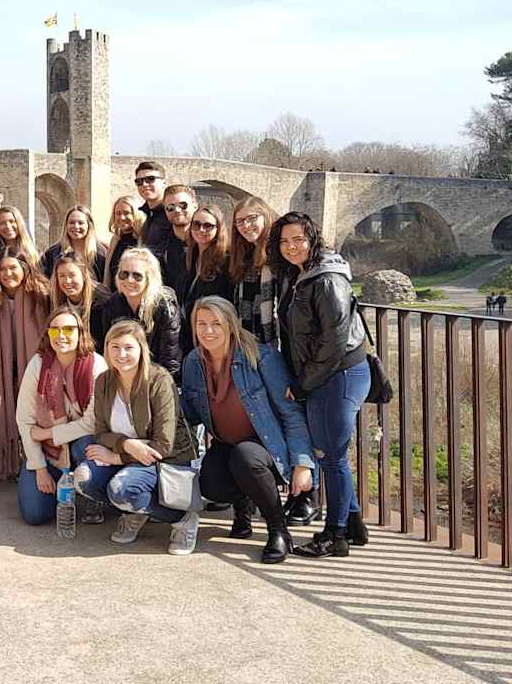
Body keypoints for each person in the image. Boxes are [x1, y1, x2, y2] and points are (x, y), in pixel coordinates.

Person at [179, 297, 316, 563]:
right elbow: (190, 412)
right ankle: (243, 505)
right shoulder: (193, 361)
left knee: (245, 457)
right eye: (201, 324)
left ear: (231, 325)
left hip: (267, 447)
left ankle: (278, 530)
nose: (208, 331)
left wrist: (302, 463)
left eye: (216, 324)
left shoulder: (260, 356)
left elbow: (290, 413)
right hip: (226, 444)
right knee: (210, 485)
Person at [268, 211, 371, 557]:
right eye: (284, 241)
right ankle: (353, 524)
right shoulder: (301, 274)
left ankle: (334, 536)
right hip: (326, 375)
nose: (291, 247)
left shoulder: (327, 279)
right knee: (330, 454)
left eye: (298, 239)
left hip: (338, 374)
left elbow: (334, 340)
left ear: (313, 240)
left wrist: (302, 384)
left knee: (331, 457)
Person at [72, 320, 199, 554]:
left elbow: (163, 444)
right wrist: (126, 445)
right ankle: (134, 510)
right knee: (83, 478)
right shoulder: (104, 381)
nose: (121, 354)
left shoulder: (159, 379)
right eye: (115, 347)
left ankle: (182, 519)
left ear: (142, 349)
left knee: (121, 489)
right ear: (107, 349)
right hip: (129, 454)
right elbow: (100, 432)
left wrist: (117, 458)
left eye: (128, 347)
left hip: (165, 459)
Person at [14, 307, 108, 525]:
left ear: (80, 332)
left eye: (68, 329)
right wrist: (39, 468)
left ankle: (92, 493)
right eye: (54, 330)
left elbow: (92, 423)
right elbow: (25, 420)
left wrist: (48, 433)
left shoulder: (97, 365)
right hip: (50, 451)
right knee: (35, 514)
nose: (61, 335)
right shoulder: (38, 365)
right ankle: (61, 484)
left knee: (85, 444)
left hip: (82, 443)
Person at [0, 251, 52, 479]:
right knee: (1, 410)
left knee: (32, 412)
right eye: (2, 269)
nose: (7, 274)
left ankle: (36, 461)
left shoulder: (42, 295)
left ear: (25, 268)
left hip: (33, 366)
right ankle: (10, 461)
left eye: (13, 268)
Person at [99, 246, 183, 379]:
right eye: (124, 274)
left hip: (156, 377)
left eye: (137, 276)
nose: (129, 280)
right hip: (123, 374)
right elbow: (108, 349)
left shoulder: (165, 307)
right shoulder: (113, 304)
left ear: (149, 279)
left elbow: (170, 361)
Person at [179, 203, 233, 351]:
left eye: (208, 226)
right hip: (190, 335)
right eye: (196, 224)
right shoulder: (189, 258)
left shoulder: (225, 261)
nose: (201, 230)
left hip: (213, 337)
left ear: (218, 228)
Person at [230, 196, 279, 346]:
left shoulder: (278, 252)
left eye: (252, 218)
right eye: (240, 221)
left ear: (265, 216)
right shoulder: (244, 255)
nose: (246, 225)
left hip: (275, 339)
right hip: (249, 339)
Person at [51, 253, 111, 348]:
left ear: (84, 275)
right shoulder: (57, 300)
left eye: (72, 275)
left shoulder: (102, 302)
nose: (67, 281)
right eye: (62, 276)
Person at [40, 204, 107, 281]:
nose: (76, 226)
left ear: (89, 225)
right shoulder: (52, 253)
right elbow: (44, 280)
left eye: (81, 223)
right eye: (71, 222)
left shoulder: (100, 253)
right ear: (66, 225)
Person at [103, 194, 144, 290]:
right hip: (114, 295)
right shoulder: (115, 240)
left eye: (126, 213)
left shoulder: (143, 239)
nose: (122, 217)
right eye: (118, 213)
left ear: (136, 213)